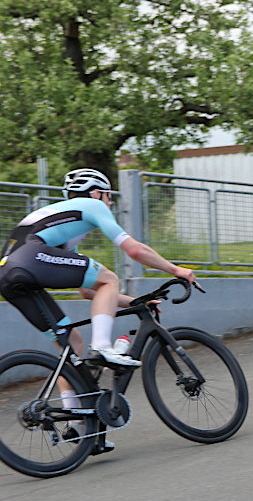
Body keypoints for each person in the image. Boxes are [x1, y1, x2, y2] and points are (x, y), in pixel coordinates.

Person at [0, 168, 196, 450]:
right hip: (30, 260)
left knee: (71, 343)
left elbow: (87, 290)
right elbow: (135, 251)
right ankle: (103, 346)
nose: (111, 202)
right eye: (109, 196)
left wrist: (135, 302)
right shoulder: (91, 206)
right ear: (96, 193)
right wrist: (176, 269)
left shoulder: (59, 228)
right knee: (110, 278)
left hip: (7, 276)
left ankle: (79, 427)